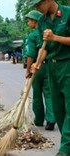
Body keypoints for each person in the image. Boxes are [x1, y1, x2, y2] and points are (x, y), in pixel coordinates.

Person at [30, 0, 70, 155]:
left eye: (38, 4)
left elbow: (52, 39)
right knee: (58, 110)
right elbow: (43, 47)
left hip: (67, 64)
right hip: (51, 67)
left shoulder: (67, 13)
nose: (37, 8)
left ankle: (65, 149)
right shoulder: (42, 20)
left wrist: (55, 37)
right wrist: (37, 63)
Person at [25, 10, 55, 131]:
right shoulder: (48, 33)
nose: (28, 22)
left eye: (29, 20)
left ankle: (39, 120)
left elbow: (31, 55)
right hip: (49, 64)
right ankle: (51, 119)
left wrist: (28, 70)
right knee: (49, 93)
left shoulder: (32, 35)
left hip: (36, 67)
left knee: (37, 94)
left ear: (35, 21)